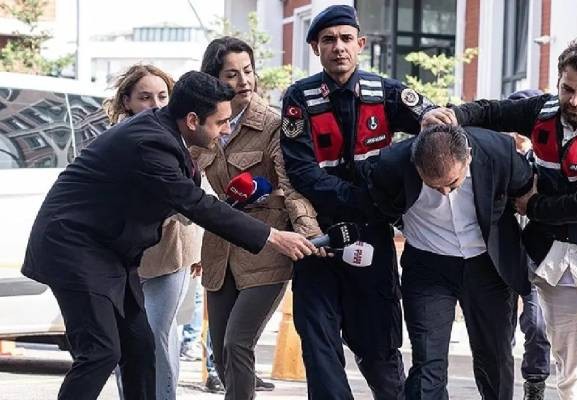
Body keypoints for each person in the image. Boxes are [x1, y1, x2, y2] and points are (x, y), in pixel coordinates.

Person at [21, 71, 316, 400]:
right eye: (220, 123)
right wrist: (273, 237)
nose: (226, 130)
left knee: (140, 347)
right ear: (192, 120)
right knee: (101, 351)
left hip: (110, 253)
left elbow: (196, 200)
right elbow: (195, 204)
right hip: (73, 248)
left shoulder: (165, 135)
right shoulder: (151, 143)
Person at [423, 42, 577, 400]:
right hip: (557, 269)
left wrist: (533, 205)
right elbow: (493, 112)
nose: (574, 100)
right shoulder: (542, 111)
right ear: (558, 80)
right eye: (567, 89)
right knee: (571, 372)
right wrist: (453, 115)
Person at [279, 5, 436, 399]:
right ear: (315, 47)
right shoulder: (299, 98)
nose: (339, 47)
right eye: (329, 40)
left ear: (361, 44)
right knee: (319, 345)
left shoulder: (386, 92)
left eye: (346, 39)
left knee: (379, 344)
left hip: (372, 238)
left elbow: (434, 123)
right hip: (318, 239)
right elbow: (301, 171)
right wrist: (363, 200)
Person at [191, 36, 322, 399]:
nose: (244, 81)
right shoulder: (204, 126)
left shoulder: (274, 125)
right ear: (214, 79)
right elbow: (185, 190)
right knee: (221, 356)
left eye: (248, 71)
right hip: (220, 252)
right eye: (232, 74)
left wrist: (309, 232)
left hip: (267, 249)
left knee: (238, 343)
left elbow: (293, 187)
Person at [361, 124, 533, 400]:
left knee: (496, 357)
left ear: (468, 156)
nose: (444, 192)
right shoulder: (390, 165)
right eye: (433, 185)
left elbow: (526, 190)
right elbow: (377, 204)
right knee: (428, 361)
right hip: (428, 267)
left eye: (452, 183)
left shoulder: (498, 151)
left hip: (487, 264)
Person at [104, 63, 202, 400]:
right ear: (127, 101)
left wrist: (201, 250)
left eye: (162, 96)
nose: (155, 104)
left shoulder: (180, 137)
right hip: (123, 257)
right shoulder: (115, 141)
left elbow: (198, 200)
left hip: (169, 254)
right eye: (145, 97)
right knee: (126, 337)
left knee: (158, 332)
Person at [506, 89, 552, 400]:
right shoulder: (499, 156)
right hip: (504, 253)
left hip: (538, 255)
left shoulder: (546, 159)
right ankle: (499, 386)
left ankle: (535, 383)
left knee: (536, 323)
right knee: (500, 327)